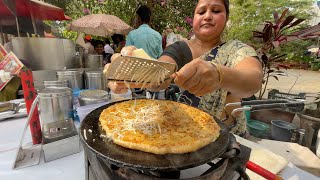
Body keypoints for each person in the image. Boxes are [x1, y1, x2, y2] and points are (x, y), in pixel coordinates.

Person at [106, 0, 263, 136]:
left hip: (227, 141)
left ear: (227, 17)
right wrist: (132, 72)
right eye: (201, 12)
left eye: (216, 10)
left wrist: (219, 75)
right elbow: (160, 76)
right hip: (185, 133)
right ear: (194, 18)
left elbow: (253, 81)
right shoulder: (179, 48)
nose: (207, 16)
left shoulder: (237, 50)